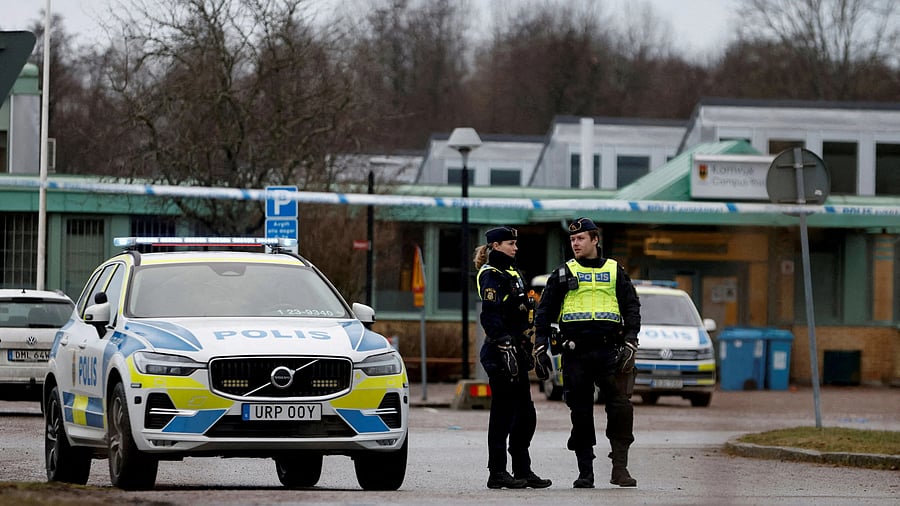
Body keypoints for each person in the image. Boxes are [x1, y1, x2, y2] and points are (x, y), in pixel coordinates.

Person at [533, 217, 641, 489]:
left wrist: (630, 341)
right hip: (576, 353)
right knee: (580, 413)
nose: (575, 243)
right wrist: (540, 346)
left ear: (595, 240)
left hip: (610, 352)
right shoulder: (562, 273)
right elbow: (544, 312)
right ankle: (586, 472)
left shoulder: (616, 271)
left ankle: (620, 468)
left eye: (581, 238)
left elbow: (631, 308)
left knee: (620, 408)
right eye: (572, 240)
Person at [475, 226, 552, 490]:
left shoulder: (513, 274)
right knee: (503, 415)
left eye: (515, 244)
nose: (515, 248)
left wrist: (528, 349)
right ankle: (496, 472)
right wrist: (505, 345)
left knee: (526, 415)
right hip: (499, 352)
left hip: (516, 350)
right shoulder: (491, 275)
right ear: (495, 246)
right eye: (510, 243)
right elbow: (490, 315)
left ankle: (522, 470)